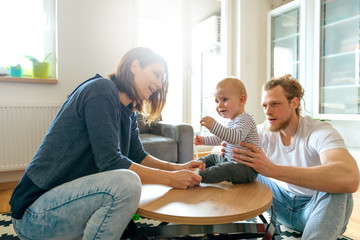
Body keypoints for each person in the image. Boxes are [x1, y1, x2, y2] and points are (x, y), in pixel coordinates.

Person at [9, 47, 203, 240]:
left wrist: (177, 169)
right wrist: (170, 179)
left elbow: (138, 155)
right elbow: (110, 162)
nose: (159, 84)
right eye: (156, 74)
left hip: (65, 206)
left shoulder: (129, 110)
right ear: (135, 65)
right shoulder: (101, 89)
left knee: (127, 183)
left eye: (162, 79)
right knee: (126, 183)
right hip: (34, 215)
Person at [227, 74, 359, 239]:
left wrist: (271, 169)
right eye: (265, 105)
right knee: (238, 166)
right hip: (280, 203)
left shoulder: (319, 132)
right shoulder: (262, 131)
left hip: (313, 210)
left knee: (339, 187)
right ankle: (222, 226)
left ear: (294, 103)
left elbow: (350, 177)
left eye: (275, 104)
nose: (268, 111)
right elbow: (217, 152)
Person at [193, 77, 259, 183]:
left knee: (228, 168)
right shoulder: (229, 121)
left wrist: (214, 126)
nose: (219, 105)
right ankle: (195, 166)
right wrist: (203, 140)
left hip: (245, 168)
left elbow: (235, 137)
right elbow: (221, 139)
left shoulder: (245, 119)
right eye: (217, 101)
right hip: (228, 161)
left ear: (242, 100)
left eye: (224, 99)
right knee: (212, 157)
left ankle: (200, 176)